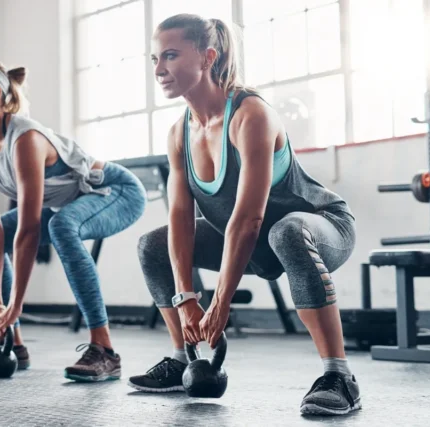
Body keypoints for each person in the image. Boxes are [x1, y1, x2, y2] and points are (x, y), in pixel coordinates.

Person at [127, 14, 361, 416]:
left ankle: (339, 376)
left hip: (319, 227)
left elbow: (248, 218)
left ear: (207, 57)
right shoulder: (178, 134)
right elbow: (181, 217)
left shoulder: (251, 115)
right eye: (154, 58)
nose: (159, 69)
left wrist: (220, 303)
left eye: (169, 55)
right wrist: (187, 299)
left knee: (285, 232)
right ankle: (184, 358)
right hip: (256, 241)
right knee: (152, 245)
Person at [0, 56, 147, 382]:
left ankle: (105, 350)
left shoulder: (26, 139)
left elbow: (28, 230)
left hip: (118, 191)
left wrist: (15, 305)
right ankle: (11, 342)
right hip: (72, 202)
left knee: (61, 226)